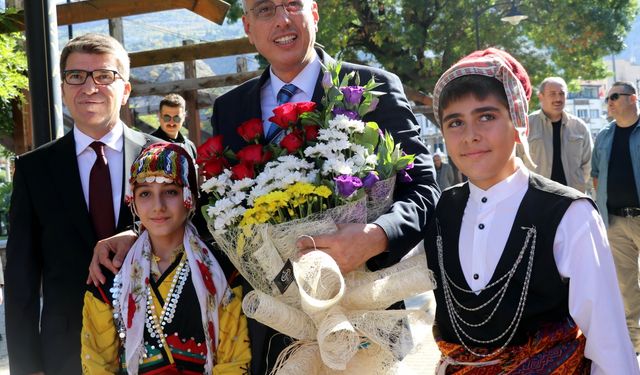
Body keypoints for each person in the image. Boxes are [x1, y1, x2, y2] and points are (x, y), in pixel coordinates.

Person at [89, 0, 439, 373]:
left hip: (365, 318)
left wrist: (375, 236)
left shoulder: (372, 89)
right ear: (248, 27)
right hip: (273, 328)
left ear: (314, 13)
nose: (282, 20)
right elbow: (218, 212)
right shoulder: (230, 108)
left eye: (292, 4)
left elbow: (422, 188)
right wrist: (139, 234)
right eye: (265, 9)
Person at [424, 48, 638, 374]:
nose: (470, 135)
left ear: (518, 122)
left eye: (486, 116)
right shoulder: (440, 211)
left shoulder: (569, 214)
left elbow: (608, 342)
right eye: (455, 122)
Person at [4, 33, 157, 375]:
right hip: (66, 353)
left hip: (160, 343)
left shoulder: (161, 155)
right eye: (76, 76)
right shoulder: (34, 169)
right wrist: (28, 367)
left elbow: (195, 240)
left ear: (126, 90)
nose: (89, 87)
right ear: (63, 90)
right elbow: (20, 280)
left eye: (104, 76)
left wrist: (137, 234)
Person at [81, 143, 250, 374]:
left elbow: (234, 361)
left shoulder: (221, 269)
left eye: (170, 191)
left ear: (189, 197)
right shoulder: (112, 272)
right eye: (145, 194)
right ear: (133, 202)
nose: (157, 207)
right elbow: (97, 364)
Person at [592, 81, 640, 353]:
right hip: (615, 222)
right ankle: (633, 347)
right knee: (625, 287)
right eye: (607, 98)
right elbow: (596, 175)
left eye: (614, 96)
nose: (609, 102)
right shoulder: (604, 135)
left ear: (633, 98)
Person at [526, 77, 592, 192]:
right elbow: (515, 163)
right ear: (540, 96)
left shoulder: (579, 127)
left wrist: (577, 184)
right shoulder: (527, 126)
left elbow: (588, 165)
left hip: (572, 198)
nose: (558, 98)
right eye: (552, 94)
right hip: (536, 198)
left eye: (562, 94)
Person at [151, 93, 198, 160]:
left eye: (177, 118)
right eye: (167, 118)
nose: (171, 123)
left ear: (184, 117)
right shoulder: (149, 145)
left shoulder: (189, 146)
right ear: (159, 116)